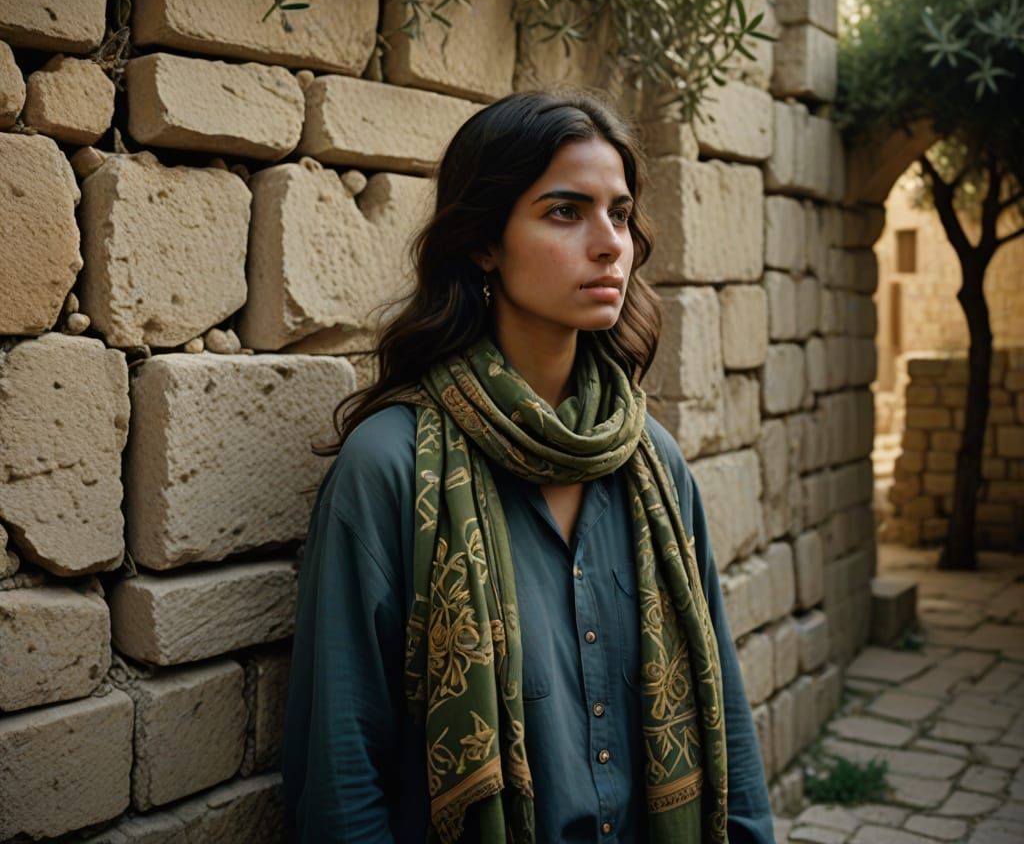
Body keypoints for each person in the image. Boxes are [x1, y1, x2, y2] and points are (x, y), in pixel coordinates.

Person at [281, 89, 774, 843]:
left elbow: (725, 721)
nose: (609, 242)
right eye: (565, 212)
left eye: (619, 213)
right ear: (484, 242)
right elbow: (342, 779)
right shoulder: (391, 468)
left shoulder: (650, 460)